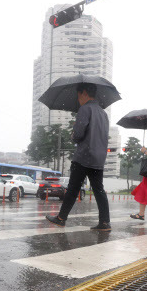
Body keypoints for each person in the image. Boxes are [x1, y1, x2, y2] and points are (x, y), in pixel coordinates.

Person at [46, 83, 111, 231]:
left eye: (78, 95)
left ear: (84, 93)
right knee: (99, 190)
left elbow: (79, 135)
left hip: (84, 156)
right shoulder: (103, 113)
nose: (78, 98)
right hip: (98, 158)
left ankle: (61, 218)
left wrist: (74, 133)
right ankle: (105, 222)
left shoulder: (85, 109)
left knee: (73, 189)